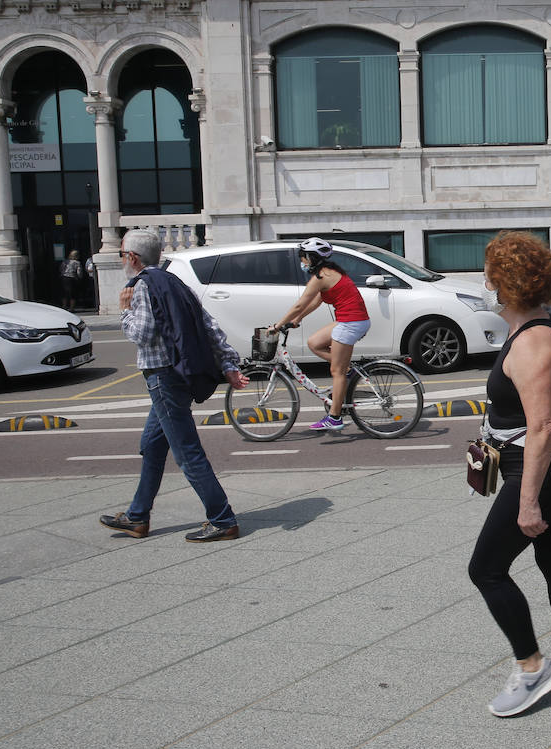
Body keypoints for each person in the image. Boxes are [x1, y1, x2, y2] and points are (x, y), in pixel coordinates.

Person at [468, 231, 551, 718]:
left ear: (506, 285)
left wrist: (527, 502)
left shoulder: (533, 344)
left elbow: (540, 426)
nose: (484, 283)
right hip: (532, 467)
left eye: (490, 276)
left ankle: (532, 667)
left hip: (534, 473)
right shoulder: (534, 329)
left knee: (486, 569)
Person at [99, 229, 249, 542]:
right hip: (178, 376)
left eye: (121, 254)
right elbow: (209, 326)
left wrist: (124, 310)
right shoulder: (176, 283)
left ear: (132, 257)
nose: (122, 261)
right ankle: (137, 517)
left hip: (162, 377)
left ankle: (222, 519)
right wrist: (229, 364)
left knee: (187, 452)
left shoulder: (141, 286)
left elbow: (141, 334)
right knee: (153, 446)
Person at [268, 237, 371, 433]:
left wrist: (278, 325)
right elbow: (316, 301)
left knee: (337, 372)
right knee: (314, 343)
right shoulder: (328, 273)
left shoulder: (321, 277)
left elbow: (300, 303)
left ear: (312, 258)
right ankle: (346, 367)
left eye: (303, 258)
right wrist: (298, 319)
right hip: (349, 320)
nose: (302, 262)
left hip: (351, 323)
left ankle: (334, 417)